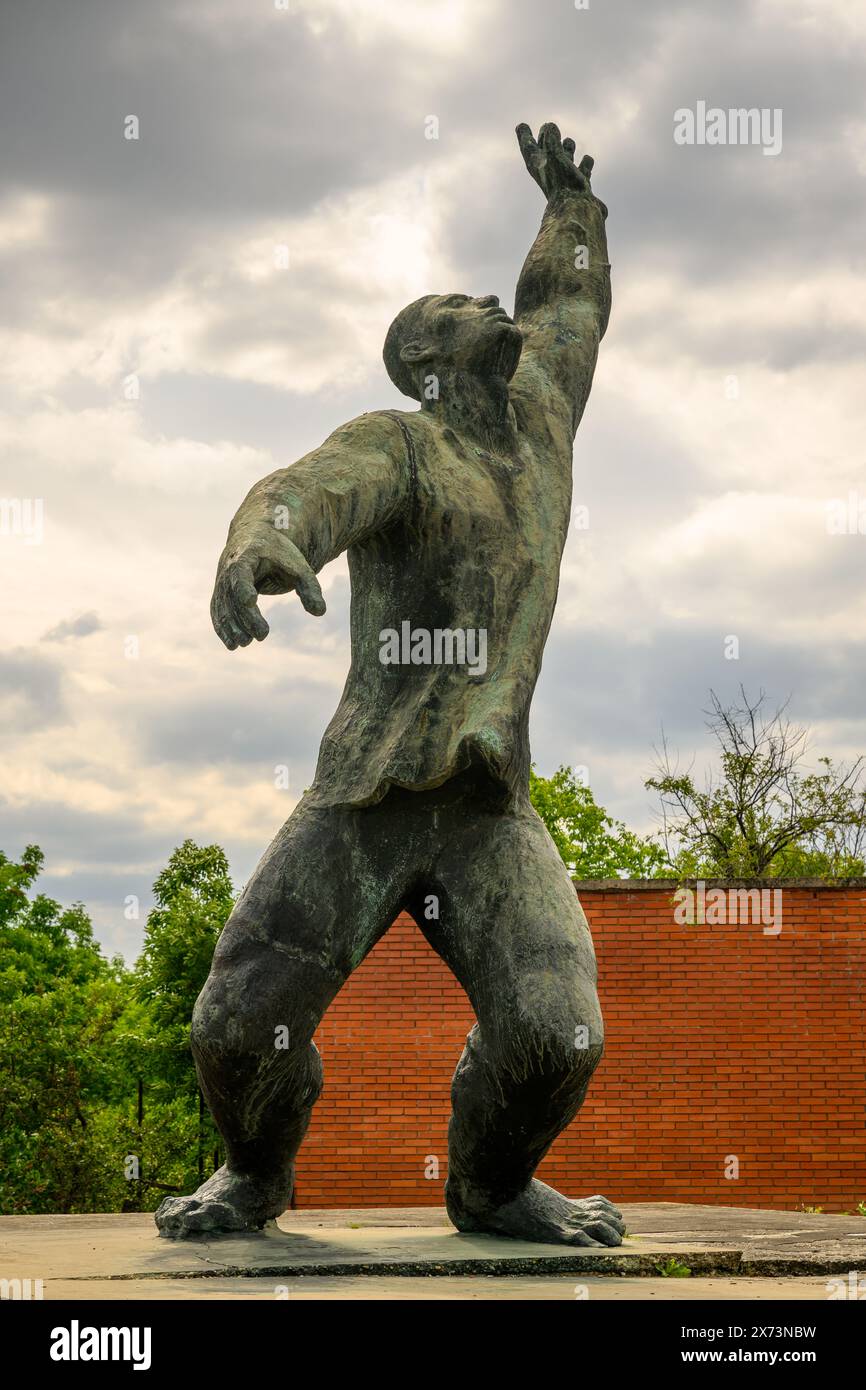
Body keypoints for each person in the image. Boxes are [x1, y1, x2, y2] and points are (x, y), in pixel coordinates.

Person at [156, 123, 623, 1246]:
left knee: (555, 1034)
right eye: (457, 308)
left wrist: (570, 214)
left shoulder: (541, 422)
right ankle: (256, 1176)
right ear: (424, 363)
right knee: (232, 1030)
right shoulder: (401, 442)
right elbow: (308, 489)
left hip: (483, 808)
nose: (482, 305)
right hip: (365, 799)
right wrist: (262, 544)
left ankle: (489, 1186)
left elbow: (570, 312)